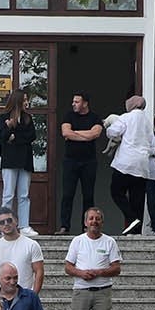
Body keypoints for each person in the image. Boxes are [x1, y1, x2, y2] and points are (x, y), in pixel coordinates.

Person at [104, 94, 152, 234]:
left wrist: (109, 129)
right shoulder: (147, 121)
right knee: (137, 198)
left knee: (116, 191)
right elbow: (151, 141)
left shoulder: (126, 117)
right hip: (142, 165)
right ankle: (136, 231)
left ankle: (132, 218)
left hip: (126, 162)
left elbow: (113, 132)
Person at [57, 92, 103, 232]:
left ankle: (86, 227)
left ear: (85, 103)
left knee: (88, 195)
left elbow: (95, 133)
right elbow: (65, 133)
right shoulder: (68, 116)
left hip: (89, 162)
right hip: (70, 161)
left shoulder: (95, 117)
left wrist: (75, 133)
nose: (73, 104)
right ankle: (65, 226)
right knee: (67, 194)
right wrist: (86, 135)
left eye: (77, 102)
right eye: (73, 101)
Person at [0, 91, 38, 235]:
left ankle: (24, 226)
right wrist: (9, 128)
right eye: (25, 100)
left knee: (24, 195)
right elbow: (3, 137)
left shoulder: (27, 118)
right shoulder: (4, 117)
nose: (27, 102)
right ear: (17, 101)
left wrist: (15, 137)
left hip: (25, 160)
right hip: (10, 161)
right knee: (8, 195)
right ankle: (5, 225)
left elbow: (32, 136)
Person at [0, 210, 45, 293]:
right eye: (2, 222)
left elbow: (39, 272)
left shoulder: (32, 245)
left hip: (25, 296)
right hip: (1, 298)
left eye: (9, 220)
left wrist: (33, 296)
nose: (6, 224)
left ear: (16, 221)